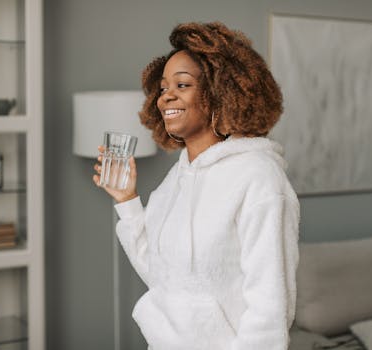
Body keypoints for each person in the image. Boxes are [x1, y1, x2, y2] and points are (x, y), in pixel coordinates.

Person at [93, 21, 299, 350]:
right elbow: (163, 278)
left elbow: (269, 310)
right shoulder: (176, 178)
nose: (166, 97)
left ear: (221, 92)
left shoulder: (259, 178)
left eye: (183, 84)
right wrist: (127, 200)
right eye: (162, 88)